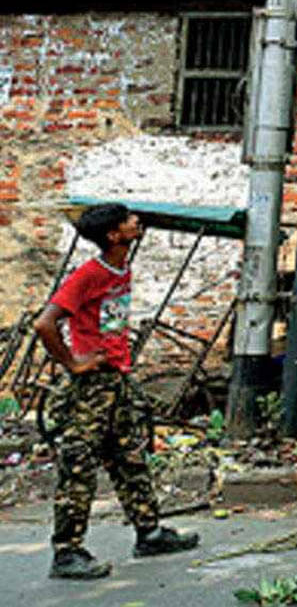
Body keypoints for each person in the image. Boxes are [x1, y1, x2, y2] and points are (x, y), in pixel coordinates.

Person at [33, 202, 200, 580]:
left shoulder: (121, 266)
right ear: (113, 235)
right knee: (79, 466)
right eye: (127, 220)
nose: (136, 221)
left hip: (116, 381)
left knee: (130, 456)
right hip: (90, 387)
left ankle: (149, 532)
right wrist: (74, 363)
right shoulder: (87, 275)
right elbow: (45, 324)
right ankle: (67, 552)